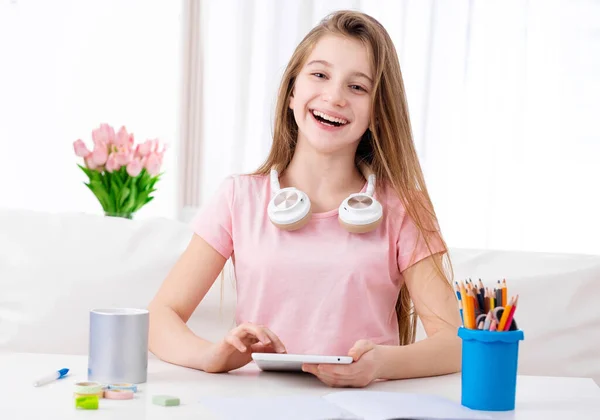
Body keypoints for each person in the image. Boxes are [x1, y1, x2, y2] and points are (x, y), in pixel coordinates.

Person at [148, 10, 462, 388]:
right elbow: (159, 317)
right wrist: (211, 356)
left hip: (364, 409)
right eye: (320, 75)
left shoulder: (404, 208)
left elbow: (454, 344)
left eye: (357, 87)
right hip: (257, 405)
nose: (334, 96)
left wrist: (380, 364)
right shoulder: (239, 197)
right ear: (293, 91)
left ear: (377, 112)